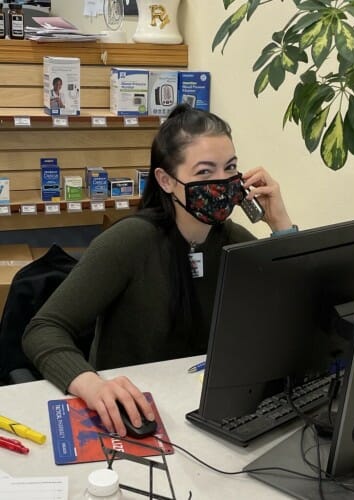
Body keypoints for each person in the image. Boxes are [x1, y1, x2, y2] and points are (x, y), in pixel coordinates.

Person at [23, 104, 296, 437]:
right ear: (166, 180)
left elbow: (295, 310)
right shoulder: (130, 242)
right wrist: (91, 385)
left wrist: (281, 224)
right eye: (205, 172)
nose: (222, 183)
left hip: (200, 406)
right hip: (135, 411)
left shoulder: (233, 242)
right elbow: (43, 329)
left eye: (231, 168)